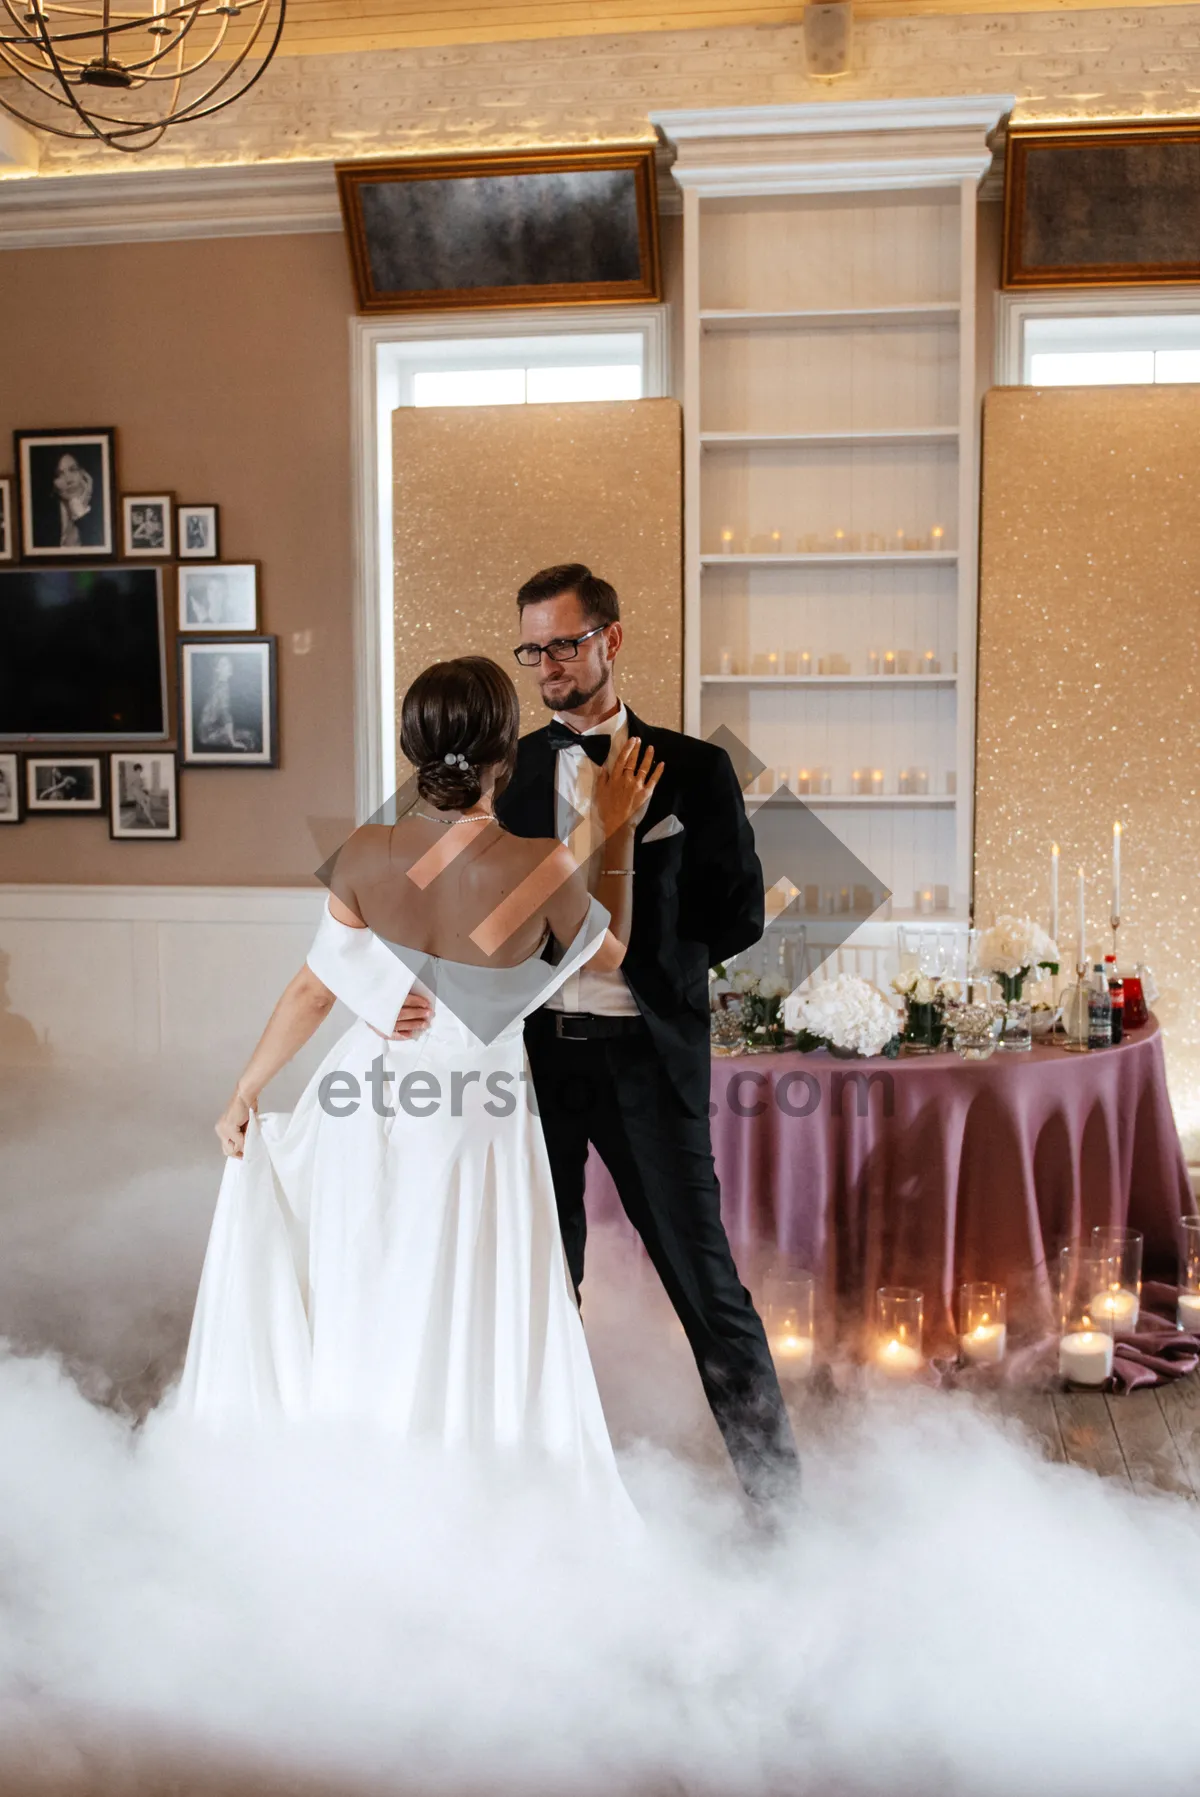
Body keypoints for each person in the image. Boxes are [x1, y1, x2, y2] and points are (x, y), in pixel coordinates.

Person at [175, 656, 660, 1504]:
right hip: (474, 1106)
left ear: (414, 748)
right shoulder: (537, 862)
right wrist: (609, 828)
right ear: (504, 752)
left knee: (369, 1282)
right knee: (465, 1295)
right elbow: (608, 951)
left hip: (361, 1094)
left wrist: (245, 1090)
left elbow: (313, 988)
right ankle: (456, 1485)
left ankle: (367, 1486)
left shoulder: (364, 853)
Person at [490, 564, 800, 1508]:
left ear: (611, 641)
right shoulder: (508, 774)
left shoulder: (695, 768)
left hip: (647, 1060)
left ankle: (784, 1515)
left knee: (709, 1291)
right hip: (530, 1065)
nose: (547, 664)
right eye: (532, 648)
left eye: (564, 643)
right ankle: (545, 1506)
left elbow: (740, 914)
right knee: (544, 1289)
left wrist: (640, 953)